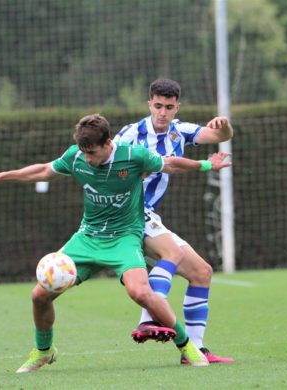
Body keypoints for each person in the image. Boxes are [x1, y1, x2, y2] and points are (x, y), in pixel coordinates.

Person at [0, 114, 232, 372]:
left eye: (92, 153)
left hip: (124, 237)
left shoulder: (133, 156)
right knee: (39, 295)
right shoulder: (76, 156)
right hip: (87, 238)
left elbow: (171, 163)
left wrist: (207, 165)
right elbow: (44, 170)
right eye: (84, 153)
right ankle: (44, 351)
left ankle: (187, 346)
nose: (87, 159)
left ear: (108, 144)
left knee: (141, 293)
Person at [114, 79, 235, 364]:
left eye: (169, 107)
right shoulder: (130, 134)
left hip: (148, 214)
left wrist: (224, 124)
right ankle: (147, 319)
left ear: (176, 107)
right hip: (127, 212)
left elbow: (218, 136)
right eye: (158, 106)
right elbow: (109, 166)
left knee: (201, 272)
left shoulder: (180, 130)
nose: (163, 113)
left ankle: (195, 349)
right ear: (149, 104)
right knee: (172, 253)